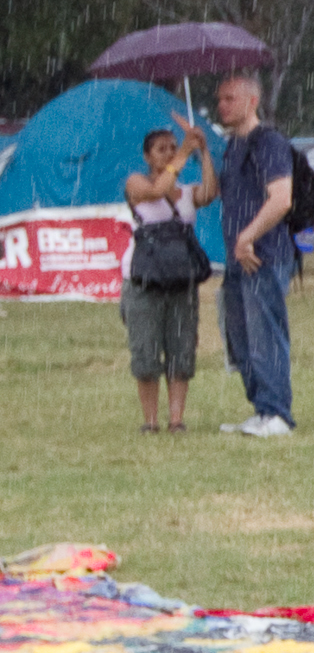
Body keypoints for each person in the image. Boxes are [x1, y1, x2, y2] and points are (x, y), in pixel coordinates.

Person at [187, 70, 295, 437]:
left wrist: (248, 237)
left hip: (263, 253)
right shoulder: (232, 145)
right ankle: (261, 409)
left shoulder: (269, 142)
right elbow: (213, 191)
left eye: (229, 98)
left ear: (252, 101)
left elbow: (281, 198)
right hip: (238, 256)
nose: (221, 105)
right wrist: (202, 148)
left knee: (265, 332)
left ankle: (278, 413)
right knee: (241, 336)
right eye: (219, 99)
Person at [120, 124, 211, 431]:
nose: (170, 153)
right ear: (147, 156)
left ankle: (176, 419)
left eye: (173, 147)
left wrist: (204, 151)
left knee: (181, 348)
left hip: (180, 279)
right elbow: (157, 191)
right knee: (145, 350)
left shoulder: (186, 192)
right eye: (162, 149)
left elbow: (209, 192)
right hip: (145, 279)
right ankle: (150, 420)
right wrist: (185, 152)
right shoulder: (135, 182)